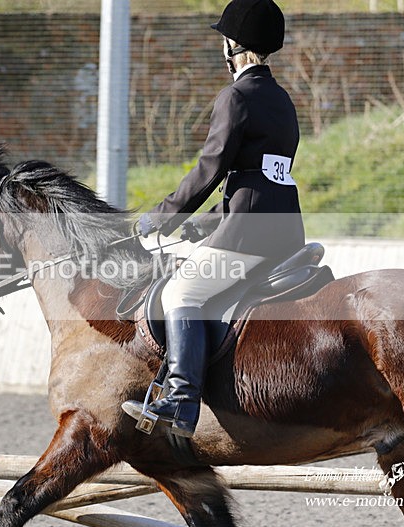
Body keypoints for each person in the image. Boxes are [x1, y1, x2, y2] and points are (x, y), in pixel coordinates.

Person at [122, 0, 305, 438]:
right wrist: (204, 223)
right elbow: (262, 178)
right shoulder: (283, 101)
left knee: (181, 290)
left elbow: (212, 168)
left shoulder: (235, 96)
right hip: (284, 231)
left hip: (248, 236)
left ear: (233, 46)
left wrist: (163, 216)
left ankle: (181, 399)